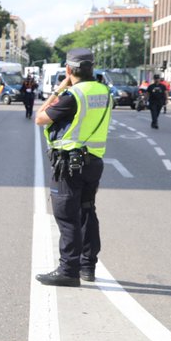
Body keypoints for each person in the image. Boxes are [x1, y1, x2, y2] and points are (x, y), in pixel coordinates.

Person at [35, 48, 112, 286]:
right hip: (94, 161)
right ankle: (88, 266)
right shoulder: (104, 91)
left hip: (69, 164)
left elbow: (40, 117)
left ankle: (69, 270)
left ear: (69, 70)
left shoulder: (72, 96)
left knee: (67, 216)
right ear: (92, 68)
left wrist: (59, 88)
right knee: (88, 210)